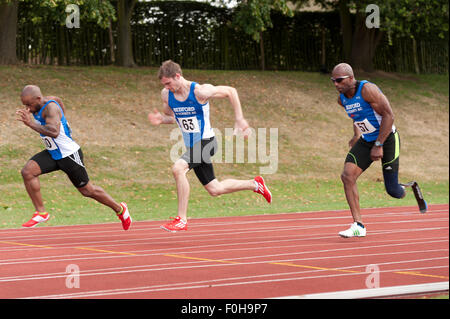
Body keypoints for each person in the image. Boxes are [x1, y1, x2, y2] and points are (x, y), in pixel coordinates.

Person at [148, 60, 272, 232]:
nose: (167, 87)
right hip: (192, 147)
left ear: (178, 76)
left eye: (169, 83)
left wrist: (239, 119)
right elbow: (175, 117)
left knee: (178, 168)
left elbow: (231, 91)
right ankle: (255, 184)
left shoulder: (199, 91)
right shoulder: (166, 94)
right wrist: (162, 120)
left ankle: (181, 219)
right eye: (164, 85)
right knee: (215, 189)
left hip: (207, 142)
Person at [331, 63, 427, 238]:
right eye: (333, 81)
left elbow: (389, 115)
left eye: (339, 80)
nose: (336, 84)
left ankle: (410, 186)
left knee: (393, 191)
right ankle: (358, 225)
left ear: (351, 78)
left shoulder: (368, 90)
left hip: (388, 138)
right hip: (367, 140)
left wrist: (379, 144)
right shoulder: (342, 99)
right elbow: (358, 116)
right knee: (347, 176)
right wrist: (356, 135)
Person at [16, 85, 132, 230]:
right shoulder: (49, 101)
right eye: (24, 105)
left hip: (68, 154)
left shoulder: (50, 108)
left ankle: (120, 209)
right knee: (27, 172)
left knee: (87, 191)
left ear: (38, 99)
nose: (27, 108)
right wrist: (64, 119)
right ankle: (41, 212)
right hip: (53, 153)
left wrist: (31, 123)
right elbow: (59, 100)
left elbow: (54, 132)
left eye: (29, 104)